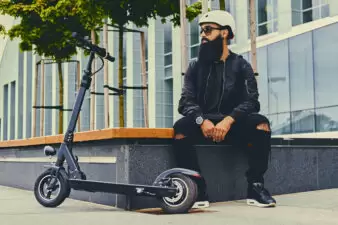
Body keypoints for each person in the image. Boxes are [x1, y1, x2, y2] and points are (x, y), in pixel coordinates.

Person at [172, 10, 276, 208]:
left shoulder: (241, 65)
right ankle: (197, 187)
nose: (203, 35)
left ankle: (255, 186)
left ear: (225, 33)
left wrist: (229, 120)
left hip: (234, 124)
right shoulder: (194, 67)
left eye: (208, 30)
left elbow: (252, 101)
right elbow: (185, 102)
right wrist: (202, 121)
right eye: (201, 31)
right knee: (180, 130)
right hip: (204, 124)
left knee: (261, 124)